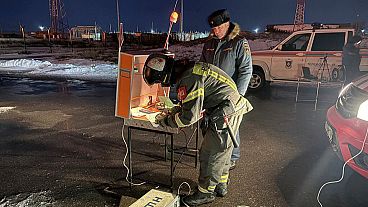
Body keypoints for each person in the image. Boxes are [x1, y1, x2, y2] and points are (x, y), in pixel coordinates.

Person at [143, 53, 253, 206]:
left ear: (165, 74)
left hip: (225, 111)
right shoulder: (190, 70)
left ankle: (205, 193)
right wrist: (175, 110)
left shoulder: (188, 78)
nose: (162, 83)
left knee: (211, 153)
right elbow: (192, 103)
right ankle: (220, 185)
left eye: (160, 80)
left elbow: (188, 118)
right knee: (222, 151)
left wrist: (165, 121)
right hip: (227, 106)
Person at [200, 9, 253, 169]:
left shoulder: (238, 42)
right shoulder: (209, 43)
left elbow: (246, 70)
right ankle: (212, 152)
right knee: (210, 123)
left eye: (218, 28)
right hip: (211, 93)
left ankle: (232, 158)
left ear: (227, 25)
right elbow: (202, 67)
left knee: (229, 125)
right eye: (213, 29)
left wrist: (238, 97)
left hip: (230, 94)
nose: (215, 31)